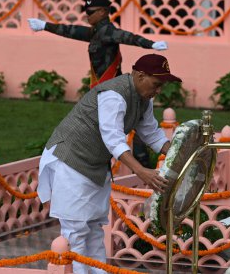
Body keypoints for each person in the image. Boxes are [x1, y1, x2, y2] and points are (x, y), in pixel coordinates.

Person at [37, 54, 181, 274]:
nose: (159, 90)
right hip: (70, 160)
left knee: (94, 227)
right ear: (140, 76)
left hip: (94, 165)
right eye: (157, 84)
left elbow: (151, 132)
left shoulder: (144, 99)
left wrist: (179, 153)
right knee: (75, 230)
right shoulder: (113, 95)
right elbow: (113, 139)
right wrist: (141, 171)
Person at [27, 0, 168, 88]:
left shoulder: (108, 31)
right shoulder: (95, 31)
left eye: (90, 12)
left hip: (110, 86)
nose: (87, 16)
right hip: (101, 85)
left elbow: (130, 37)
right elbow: (70, 30)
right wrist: (44, 25)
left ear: (102, 11)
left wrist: (151, 44)